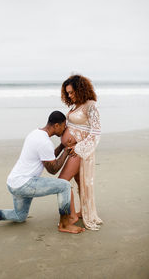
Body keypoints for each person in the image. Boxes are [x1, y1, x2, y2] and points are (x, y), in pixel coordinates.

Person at [0, 111, 84, 234]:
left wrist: (62, 147)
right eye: (64, 126)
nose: (64, 130)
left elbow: (47, 156)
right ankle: (64, 224)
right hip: (25, 183)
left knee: (20, 216)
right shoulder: (44, 142)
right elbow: (53, 170)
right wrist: (67, 152)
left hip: (13, 182)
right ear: (56, 125)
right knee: (64, 185)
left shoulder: (36, 133)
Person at [59, 75, 103, 230]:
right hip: (71, 150)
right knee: (79, 182)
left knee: (62, 181)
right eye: (68, 93)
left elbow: (95, 132)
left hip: (78, 152)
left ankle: (71, 216)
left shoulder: (90, 105)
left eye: (72, 92)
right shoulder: (75, 106)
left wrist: (78, 148)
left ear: (81, 89)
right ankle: (82, 212)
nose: (70, 95)